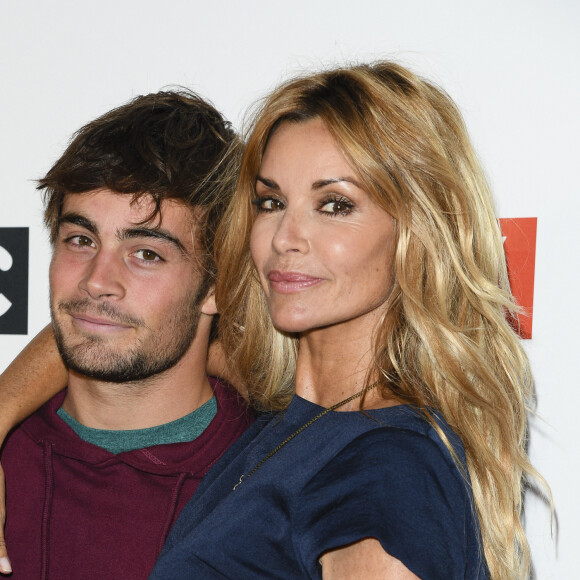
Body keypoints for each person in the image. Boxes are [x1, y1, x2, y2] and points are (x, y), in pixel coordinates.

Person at [0, 62, 543, 580]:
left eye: (335, 204)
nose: (286, 236)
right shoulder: (297, 433)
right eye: (270, 201)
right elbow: (122, 324)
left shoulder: (385, 466)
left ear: (418, 232)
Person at [0, 90, 253, 579]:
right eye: (81, 240)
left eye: (146, 254)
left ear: (219, 286)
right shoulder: (12, 464)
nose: (97, 280)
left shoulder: (283, 475)